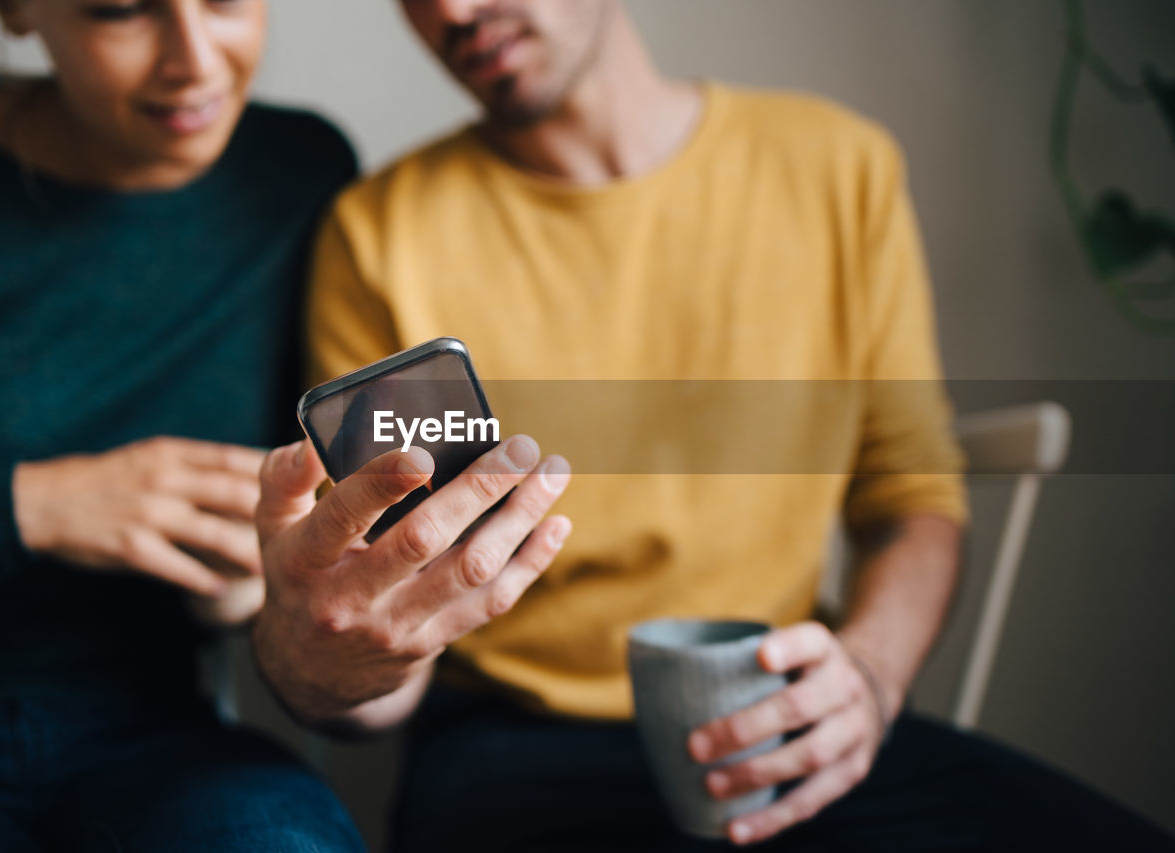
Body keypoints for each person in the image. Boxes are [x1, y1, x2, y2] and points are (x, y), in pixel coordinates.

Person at [253, 0, 1175, 850]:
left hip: (782, 713)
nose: (451, 9)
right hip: (515, 748)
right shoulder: (379, 234)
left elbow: (910, 489)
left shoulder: (836, 168)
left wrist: (870, 677)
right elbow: (383, 614)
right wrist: (335, 664)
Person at [0, 1, 366, 849]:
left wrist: (262, 575)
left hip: (157, 735)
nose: (193, 59)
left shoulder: (300, 172)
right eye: (120, 11)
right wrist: (28, 507)